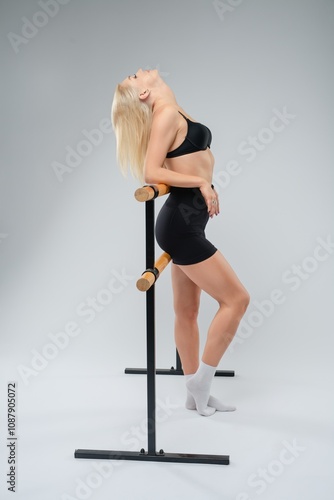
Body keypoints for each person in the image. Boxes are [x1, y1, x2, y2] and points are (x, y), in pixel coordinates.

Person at [112, 68, 250, 416]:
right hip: (181, 225)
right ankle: (201, 380)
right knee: (237, 299)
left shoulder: (173, 109)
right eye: (133, 76)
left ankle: (194, 396)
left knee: (186, 312)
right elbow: (151, 172)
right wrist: (202, 184)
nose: (139, 71)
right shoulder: (166, 114)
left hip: (188, 220)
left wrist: (204, 183)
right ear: (143, 93)